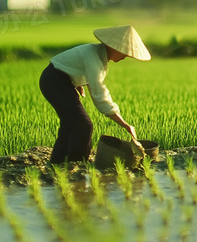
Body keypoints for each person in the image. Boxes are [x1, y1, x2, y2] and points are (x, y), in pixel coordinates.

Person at [39, 25, 150, 164]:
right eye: (124, 53)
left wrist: (78, 81)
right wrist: (125, 124)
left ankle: (58, 163)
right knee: (83, 125)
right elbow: (99, 94)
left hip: (59, 81)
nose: (124, 57)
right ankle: (77, 165)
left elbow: (75, 68)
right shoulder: (94, 57)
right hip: (55, 82)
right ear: (114, 48)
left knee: (70, 124)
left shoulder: (97, 54)